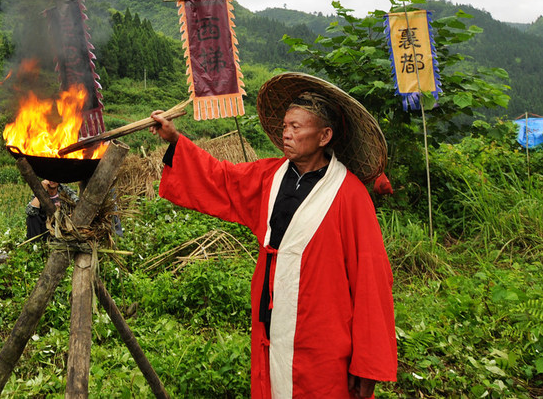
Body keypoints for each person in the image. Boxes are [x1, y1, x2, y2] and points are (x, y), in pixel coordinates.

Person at [149, 73, 397, 399]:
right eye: (285, 126)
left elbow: (371, 279)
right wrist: (175, 140)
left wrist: (367, 364)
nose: (287, 133)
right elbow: (221, 179)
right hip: (271, 325)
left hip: (323, 337)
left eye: (296, 127)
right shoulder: (271, 175)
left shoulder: (350, 196)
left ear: (324, 136)